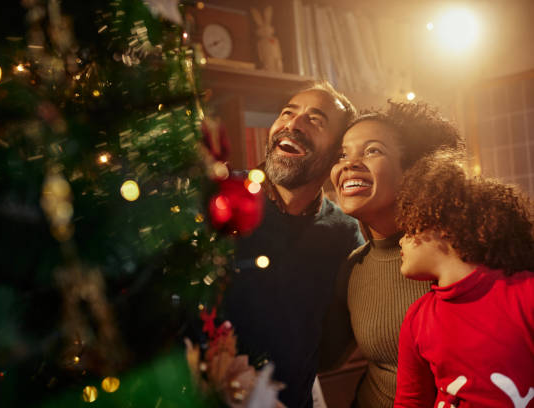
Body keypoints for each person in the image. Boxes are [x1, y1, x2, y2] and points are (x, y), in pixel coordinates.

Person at [223, 81, 364, 408]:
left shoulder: (344, 234)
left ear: (336, 153)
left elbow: (332, 353)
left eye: (315, 120)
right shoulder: (223, 197)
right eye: (288, 112)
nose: (293, 123)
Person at [321, 101, 463, 408]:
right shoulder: (354, 266)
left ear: (413, 170)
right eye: (342, 155)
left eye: (372, 150)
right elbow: (322, 358)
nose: (349, 164)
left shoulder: (460, 251)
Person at [394, 150, 534, 408]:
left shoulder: (525, 294)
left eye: (411, 228)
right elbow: (410, 401)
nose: (401, 241)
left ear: (445, 226)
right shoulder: (417, 318)